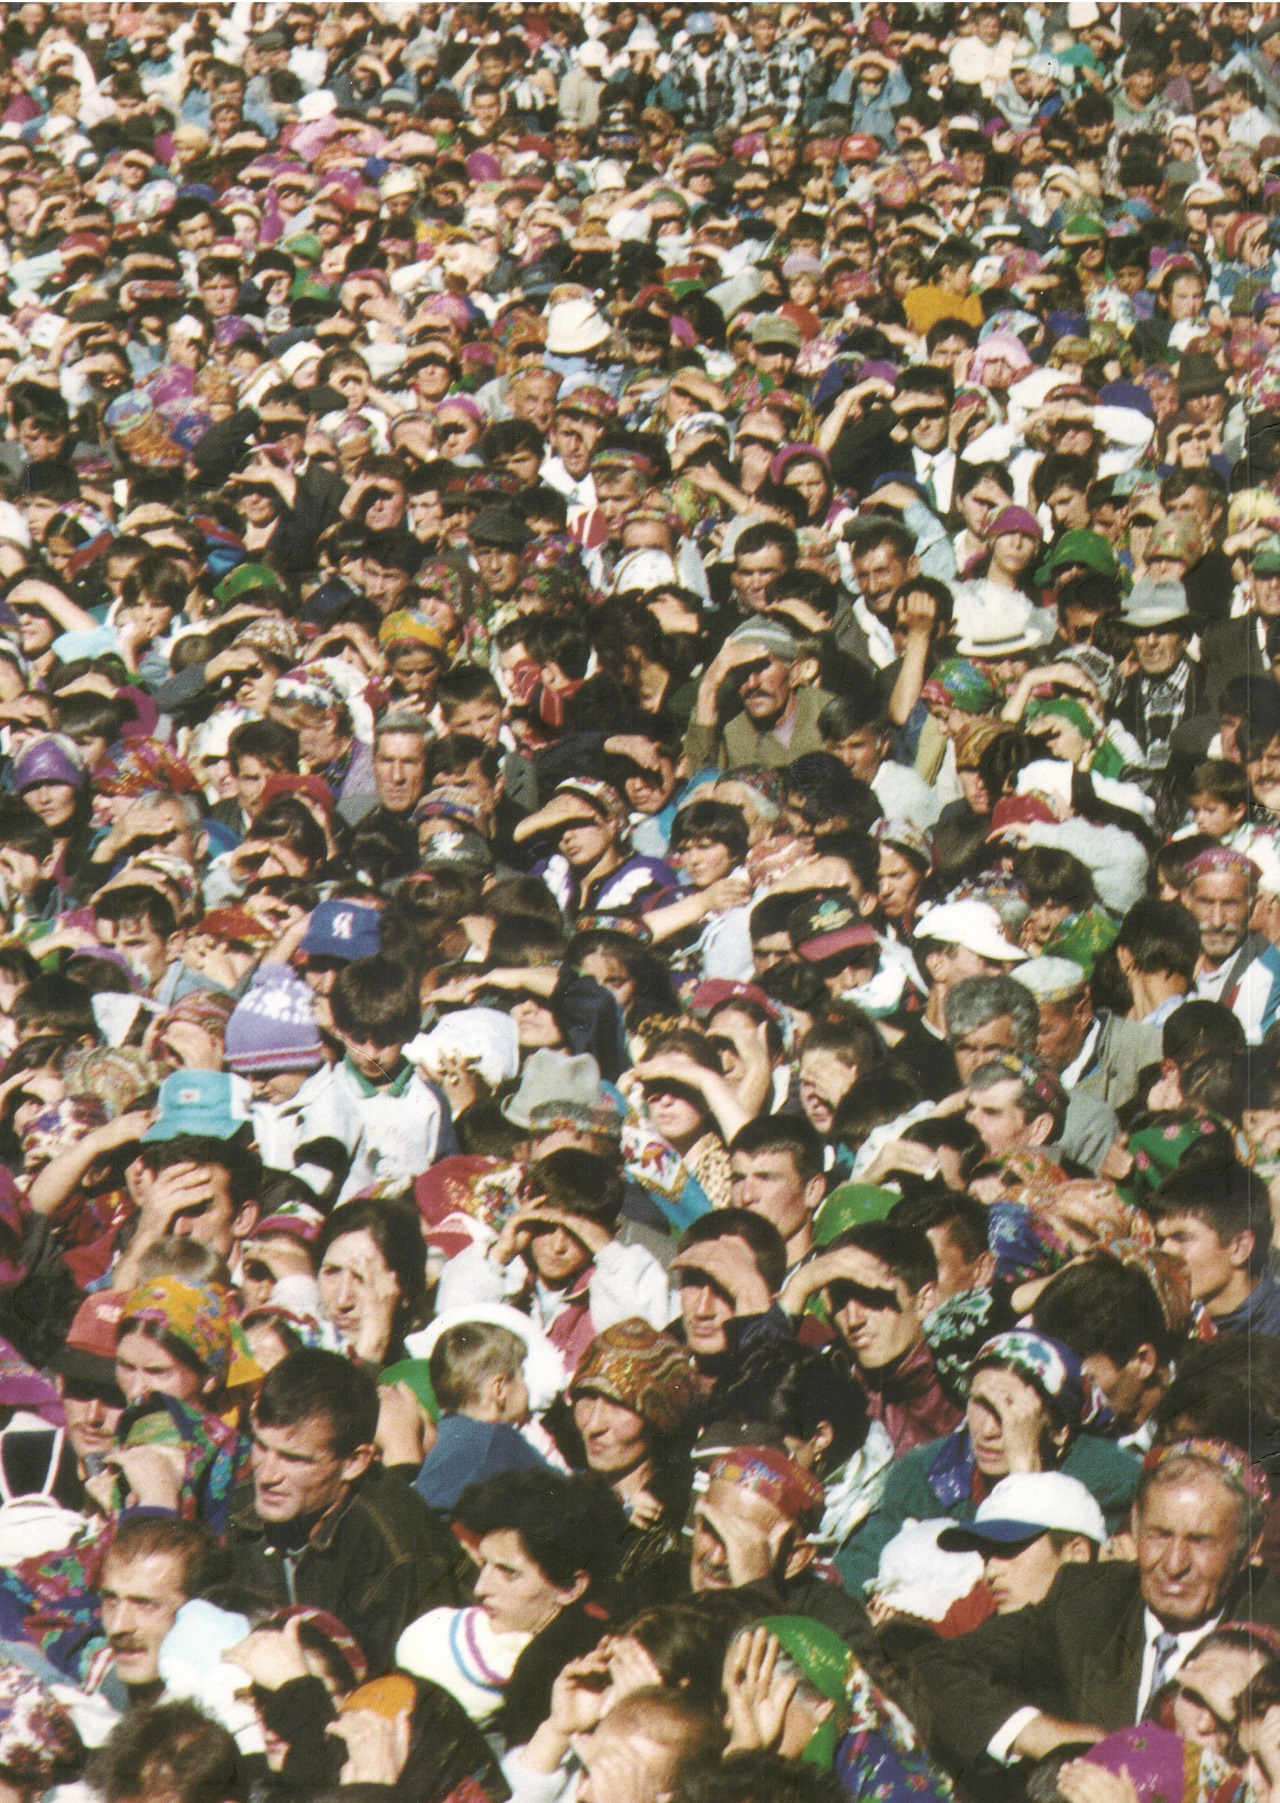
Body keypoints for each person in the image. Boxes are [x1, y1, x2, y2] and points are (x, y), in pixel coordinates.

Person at [911, 1439, 1280, 1787]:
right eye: (1159, 1535)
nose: (1174, 1564)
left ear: (1248, 1547)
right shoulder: (1088, 1600)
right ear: (1136, 1525)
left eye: (1200, 1541)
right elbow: (935, 1667)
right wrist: (1043, 1734)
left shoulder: (1270, 1618)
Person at [215, 1347, 463, 1676]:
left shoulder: (395, 1546)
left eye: (294, 1458)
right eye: (261, 1445)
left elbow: (406, 1685)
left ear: (354, 1462)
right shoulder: (248, 1503)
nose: (267, 1475)